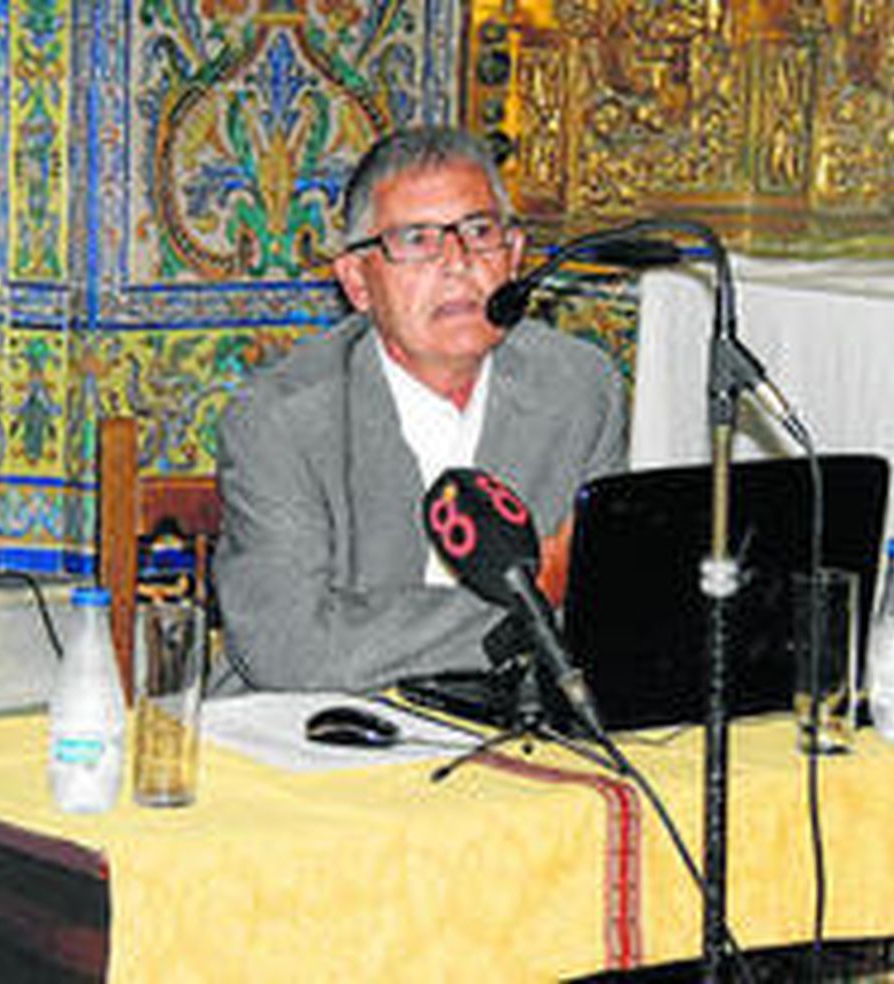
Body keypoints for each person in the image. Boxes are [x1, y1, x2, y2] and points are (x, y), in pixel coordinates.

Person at [213, 126, 627, 692]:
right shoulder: (282, 419)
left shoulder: (579, 387)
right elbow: (292, 650)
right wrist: (538, 601)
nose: (456, 263)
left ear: (514, 255)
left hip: (517, 722)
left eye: (479, 232)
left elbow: (608, 614)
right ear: (358, 281)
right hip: (312, 735)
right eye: (417, 241)